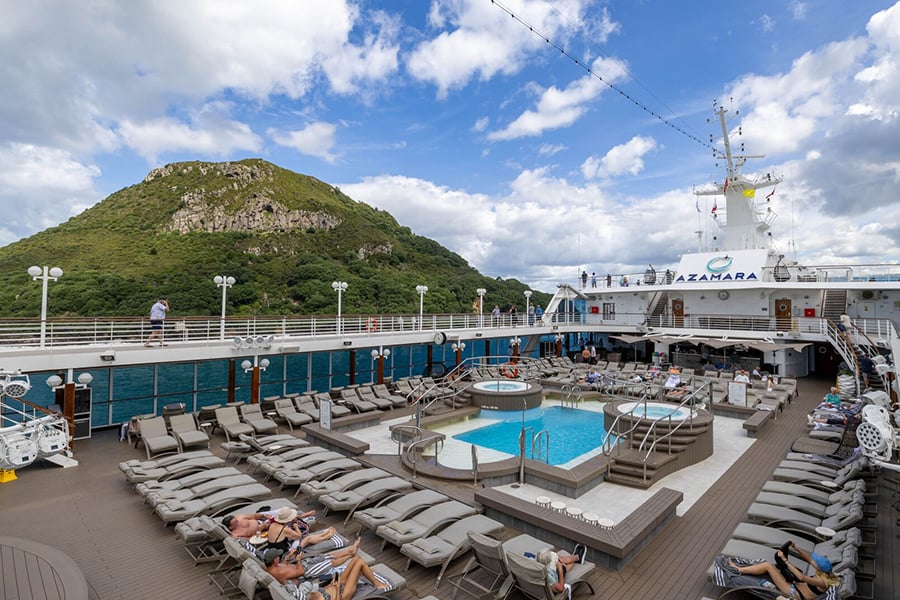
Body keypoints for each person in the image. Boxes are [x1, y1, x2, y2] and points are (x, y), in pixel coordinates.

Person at [728, 541, 840, 600]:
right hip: (795, 585)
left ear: (820, 567)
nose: (813, 562)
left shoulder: (822, 582)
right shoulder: (827, 573)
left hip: (794, 593)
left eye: (816, 563)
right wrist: (796, 548)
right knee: (777, 567)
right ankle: (748, 569)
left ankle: (738, 570)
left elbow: (802, 577)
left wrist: (785, 559)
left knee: (768, 566)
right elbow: (809, 559)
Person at [263, 538, 361, 584]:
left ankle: (350, 550)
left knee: (325, 556)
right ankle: (350, 555)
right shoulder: (280, 572)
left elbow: (283, 565)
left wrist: (288, 557)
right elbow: (300, 572)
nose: (279, 558)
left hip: (304, 566)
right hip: (306, 572)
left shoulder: (271, 567)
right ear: (275, 560)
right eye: (277, 557)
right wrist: (298, 560)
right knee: (329, 563)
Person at [305, 555, 393, 600]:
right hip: (343, 595)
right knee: (360, 562)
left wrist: (333, 583)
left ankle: (365, 572)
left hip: (337, 585)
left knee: (356, 558)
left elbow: (326, 588)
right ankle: (377, 584)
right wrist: (337, 585)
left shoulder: (311, 593)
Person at [266, 507, 335, 553]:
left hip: (273, 548)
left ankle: (323, 534)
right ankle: (326, 537)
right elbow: (299, 536)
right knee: (307, 539)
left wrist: (306, 515)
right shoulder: (285, 529)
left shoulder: (273, 524)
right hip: (283, 553)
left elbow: (294, 518)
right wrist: (296, 527)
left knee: (308, 537)